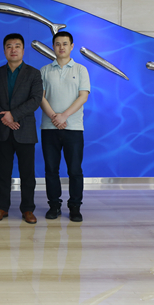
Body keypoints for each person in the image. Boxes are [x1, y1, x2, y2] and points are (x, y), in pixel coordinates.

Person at [0, 33, 43, 224]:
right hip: (3, 131)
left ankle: (28, 209)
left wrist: (13, 115)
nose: (13, 50)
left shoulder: (34, 73)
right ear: (4, 50)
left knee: (27, 174)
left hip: (25, 130)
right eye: (9, 46)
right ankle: (2, 207)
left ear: (23, 50)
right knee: (3, 173)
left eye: (17, 46)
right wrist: (5, 118)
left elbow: (36, 99)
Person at [40, 31, 90, 222]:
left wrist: (64, 116)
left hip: (74, 127)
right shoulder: (45, 70)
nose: (61, 47)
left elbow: (83, 96)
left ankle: (75, 207)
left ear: (72, 46)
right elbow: (41, 97)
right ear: (53, 46)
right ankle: (54, 206)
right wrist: (54, 117)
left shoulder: (81, 69)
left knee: (75, 170)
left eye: (65, 43)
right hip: (49, 127)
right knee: (51, 170)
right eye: (58, 44)